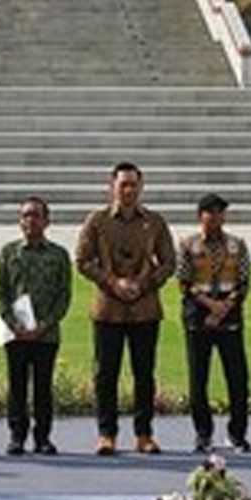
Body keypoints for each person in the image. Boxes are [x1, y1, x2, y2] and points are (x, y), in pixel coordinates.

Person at [75, 162, 176, 456]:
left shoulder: (155, 223)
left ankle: (144, 434)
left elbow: (169, 262)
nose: (129, 190)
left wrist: (144, 285)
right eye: (123, 185)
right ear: (113, 187)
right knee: (106, 374)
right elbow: (82, 260)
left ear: (141, 187)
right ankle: (107, 434)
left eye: (134, 184)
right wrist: (112, 282)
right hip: (109, 309)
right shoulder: (97, 221)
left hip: (145, 309)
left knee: (144, 374)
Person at [0, 195, 73, 457]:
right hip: (15, 332)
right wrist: (12, 322)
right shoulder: (8, 253)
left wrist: (45, 325)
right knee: (17, 386)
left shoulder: (58, 255)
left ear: (47, 221)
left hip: (45, 334)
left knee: (42, 387)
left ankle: (43, 437)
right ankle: (17, 436)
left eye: (36, 215)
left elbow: (64, 295)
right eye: (26, 215)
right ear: (19, 221)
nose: (30, 220)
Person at [175, 193, 251, 454]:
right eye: (211, 213)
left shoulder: (237, 245)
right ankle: (203, 433)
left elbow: (243, 282)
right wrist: (210, 305)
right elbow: (184, 283)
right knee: (198, 379)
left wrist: (224, 306)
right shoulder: (188, 245)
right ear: (201, 217)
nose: (216, 218)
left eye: (220, 213)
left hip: (229, 317)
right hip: (198, 317)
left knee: (238, 378)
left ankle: (237, 433)